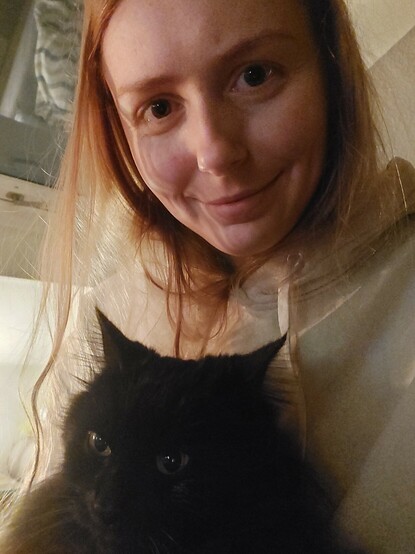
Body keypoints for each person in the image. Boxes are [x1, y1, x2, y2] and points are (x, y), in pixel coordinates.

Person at [3, 0, 415, 552]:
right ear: (120, 132)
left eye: (255, 75)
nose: (214, 153)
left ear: (332, 67)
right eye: (158, 107)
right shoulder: (113, 306)